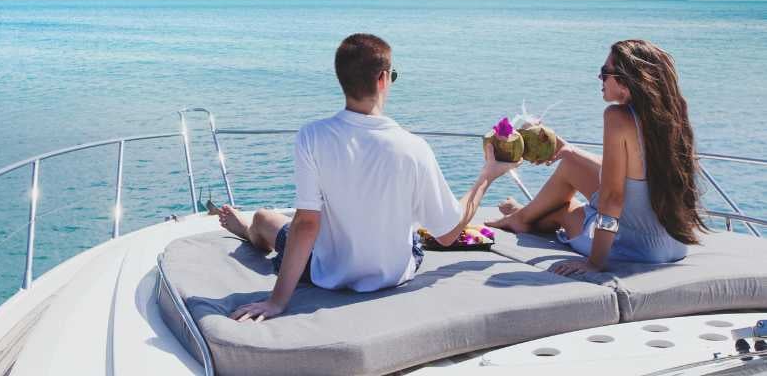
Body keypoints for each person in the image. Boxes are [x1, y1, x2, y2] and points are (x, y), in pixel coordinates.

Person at [218, 33, 519, 321]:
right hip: (394, 273)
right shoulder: (414, 148)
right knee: (410, 224)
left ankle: (248, 230)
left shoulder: (312, 136)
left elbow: (307, 224)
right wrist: (486, 177)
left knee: (264, 218)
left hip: (327, 273)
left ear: (342, 80)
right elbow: (449, 233)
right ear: (383, 79)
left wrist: (277, 301)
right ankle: (248, 229)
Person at [486, 39, 706, 275]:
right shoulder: (671, 115)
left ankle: (524, 217)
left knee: (566, 209)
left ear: (626, 80)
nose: (599, 79)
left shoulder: (617, 117)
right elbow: (634, 173)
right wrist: (569, 150)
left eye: (604, 73)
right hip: (675, 244)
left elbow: (612, 197)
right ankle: (523, 215)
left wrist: (594, 262)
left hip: (637, 248)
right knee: (570, 163)